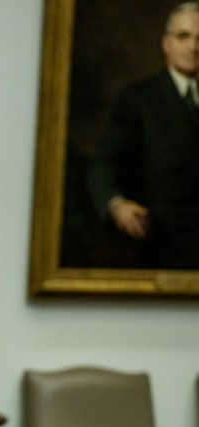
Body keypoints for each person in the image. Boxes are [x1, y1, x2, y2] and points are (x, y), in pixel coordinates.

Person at [87, 2, 199, 269]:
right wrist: (116, 204)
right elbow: (103, 163)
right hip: (160, 250)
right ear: (166, 43)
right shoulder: (139, 100)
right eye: (183, 36)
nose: (193, 47)